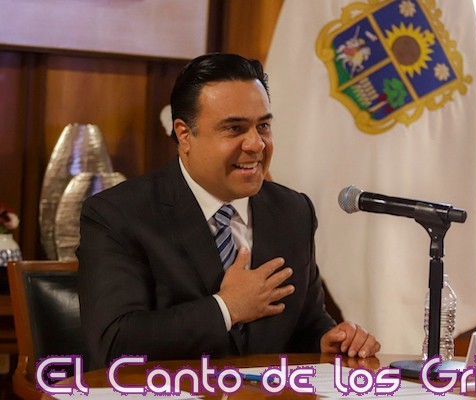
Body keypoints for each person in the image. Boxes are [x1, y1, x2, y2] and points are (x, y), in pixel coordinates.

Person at [77, 53, 380, 368]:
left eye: (263, 126)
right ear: (184, 135)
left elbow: (305, 323)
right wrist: (226, 308)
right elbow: (115, 344)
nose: (256, 144)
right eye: (235, 128)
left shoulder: (293, 211)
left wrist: (328, 340)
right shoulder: (117, 215)